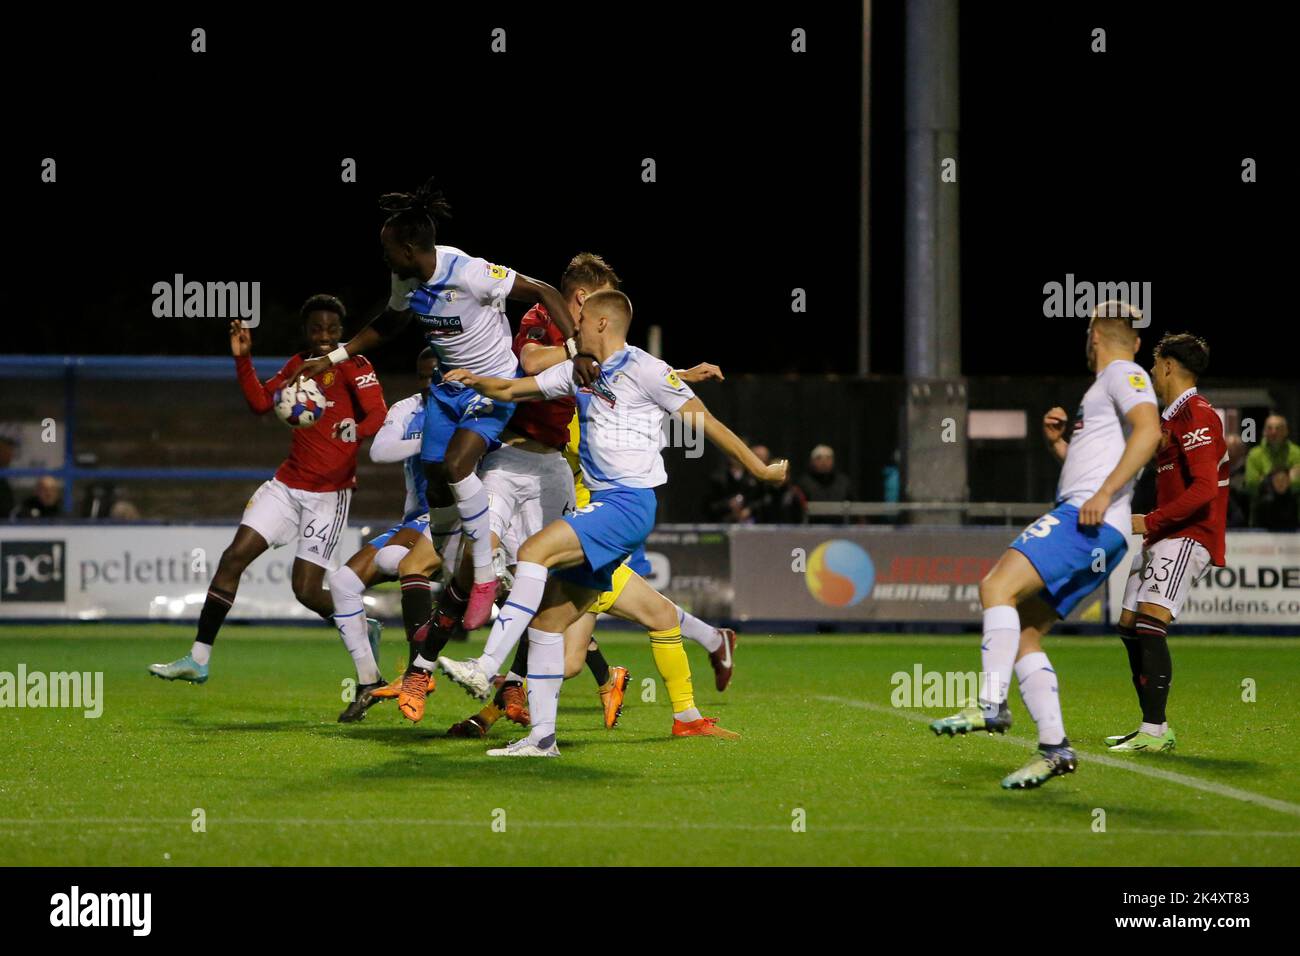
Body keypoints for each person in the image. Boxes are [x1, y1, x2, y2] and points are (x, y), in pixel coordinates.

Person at [436, 289, 786, 756]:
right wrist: (472, 380)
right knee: (546, 624)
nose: (572, 327)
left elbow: (708, 423)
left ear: (601, 323)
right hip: (605, 504)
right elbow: (513, 390)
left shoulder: (647, 369)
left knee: (532, 552)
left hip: (627, 504)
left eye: (579, 321)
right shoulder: (580, 371)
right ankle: (541, 740)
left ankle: (486, 664)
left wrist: (760, 470)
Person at [294, 179, 601, 635]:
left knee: (458, 464)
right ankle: (451, 551)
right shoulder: (405, 277)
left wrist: (577, 349)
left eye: (388, 250)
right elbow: (392, 322)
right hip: (446, 389)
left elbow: (543, 292)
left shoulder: (470, 271)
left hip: (490, 386)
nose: (384, 258)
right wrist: (337, 355)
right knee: (436, 475)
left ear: (412, 247)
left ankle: (483, 573)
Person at [930, 301, 1161, 789]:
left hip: (1087, 520)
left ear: (1093, 336)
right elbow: (1110, 456)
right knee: (1026, 635)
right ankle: (1055, 748)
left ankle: (992, 703)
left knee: (995, 588)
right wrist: (1062, 445)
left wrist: (1100, 494)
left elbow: (1150, 432)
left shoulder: (1123, 373)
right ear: (1136, 340)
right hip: (1102, 529)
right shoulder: (1109, 383)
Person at [148, 296, 388, 684]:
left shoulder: (356, 366)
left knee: (307, 592)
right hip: (286, 486)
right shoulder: (297, 365)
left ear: (342, 332)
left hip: (329, 495)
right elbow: (262, 402)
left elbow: (378, 413)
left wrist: (357, 431)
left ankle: (362, 624)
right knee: (233, 558)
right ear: (306, 332)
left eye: (331, 329)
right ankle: (198, 659)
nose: (324, 336)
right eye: (316, 329)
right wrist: (244, 358)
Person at [1110, 332, 1227, 753]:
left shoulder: (1197, 413)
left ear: (1169, 367)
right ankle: (1151, 726)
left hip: (1188, 534)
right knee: (1128, 626)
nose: (1153, 374)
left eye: (1156, 366)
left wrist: (1153, 521)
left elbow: (1205, 489)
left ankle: (1155, 730)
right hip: (1164, 533)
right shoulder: (1171, 419)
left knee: (1150, 621)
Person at [333, 349, 440, 722]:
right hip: (414, 519)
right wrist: (434, 440)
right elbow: (380, 450)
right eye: (423, 375)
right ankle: (368, 680)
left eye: (436, 373)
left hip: (452, 517)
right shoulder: (408, 408)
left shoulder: (470, 404)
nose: (429, 382)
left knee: (395, 560)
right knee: (343, 582)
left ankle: (420, 669)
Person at [1245, 414, 1300, 504]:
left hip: (1292, 510)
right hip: (1262, 511)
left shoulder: (1297, 453)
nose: (1274, 432)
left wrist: (1264, 479)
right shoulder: (1254, 454)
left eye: (1278, 428)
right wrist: (1288, 477)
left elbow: (1298, 483)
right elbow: (1251, 484)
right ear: (1264, 432)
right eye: (1269, 428)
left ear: (1286, 431)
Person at [750, 443, 808, 523]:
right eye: (774, 473)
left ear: (788, 475)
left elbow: (801, 519)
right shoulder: (762, 492)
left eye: (782, 473)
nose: (778, 477)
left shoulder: (795, 494)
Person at [796, 444, 854, 523]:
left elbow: (855, 508)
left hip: (840, 530)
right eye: (819, 458)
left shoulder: (844, 482)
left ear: (833, 461)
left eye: (828, 458)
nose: (824, 462)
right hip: (811, 530)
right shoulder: (803, 483)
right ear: (811, 461)